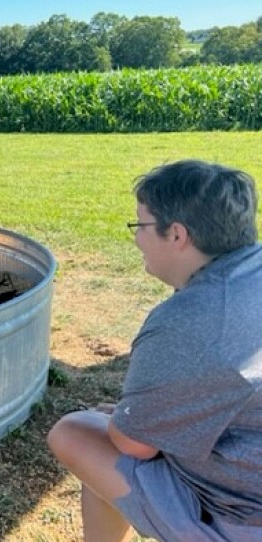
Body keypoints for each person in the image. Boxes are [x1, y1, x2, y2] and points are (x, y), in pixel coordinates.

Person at [47, 160, 262, 541]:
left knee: (77, 432)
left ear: (177, 235)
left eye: (140, 225)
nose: (136, 239)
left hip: (243, 515)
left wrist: (125, 422)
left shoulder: (187, 319)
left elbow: (135, 445)